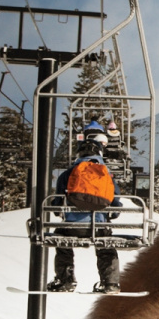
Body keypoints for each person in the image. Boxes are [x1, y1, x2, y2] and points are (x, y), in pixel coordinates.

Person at [48, 125, 120, 293]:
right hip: (99, 228)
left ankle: (65, 280)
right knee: (106, 246)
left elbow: (58, 204)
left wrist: (62, 212)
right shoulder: (106, 174)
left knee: (61, 240)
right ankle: (110, 283)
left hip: (72, 228)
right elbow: (115, 207)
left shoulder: (68, 174)